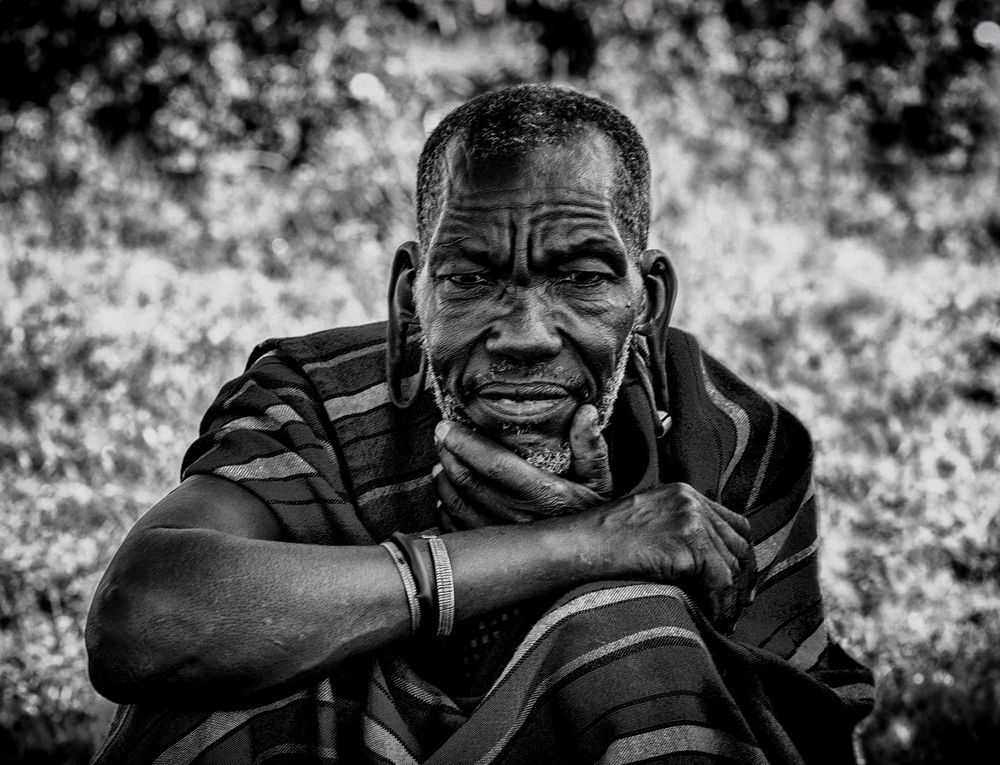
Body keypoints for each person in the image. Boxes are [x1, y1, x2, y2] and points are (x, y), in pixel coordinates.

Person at [85, 84, 873, 764]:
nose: (526, 334)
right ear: (408, 300)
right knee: (231, 675)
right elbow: (141, 618)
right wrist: (581, 543)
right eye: (469, 277)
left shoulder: (735, 440)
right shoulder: (316, 399)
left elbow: (790, 730)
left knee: (642, 635)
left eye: (581, 275)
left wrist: (603, 605)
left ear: (650, 303)